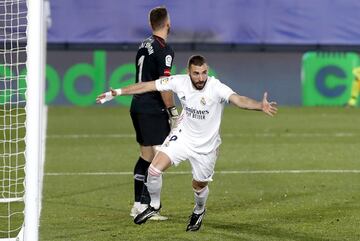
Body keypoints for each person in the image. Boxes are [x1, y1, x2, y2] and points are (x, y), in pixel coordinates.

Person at [96, 55, 277, 231]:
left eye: (204, 72)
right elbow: (148, 85)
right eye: (196, 73)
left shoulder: (216, 87)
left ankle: (199, 210)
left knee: (199, 186)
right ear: (188, 72)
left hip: (206, 147)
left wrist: (259, 106)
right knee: (153, 169)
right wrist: (118, 92)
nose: (201, 78)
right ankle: (155, 205)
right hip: (183, 137)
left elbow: (239, 100)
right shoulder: (179, 81)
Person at [129, 6, 177, 220]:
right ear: (167, 23)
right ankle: (148, 206)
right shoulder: (164, 49)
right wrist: (173, 113)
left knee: (146, 156)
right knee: (161, 157)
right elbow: (164, 86)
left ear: (151, 24)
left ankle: (139, 204)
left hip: (138, 105)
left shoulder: (144, 44)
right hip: (152, 108)